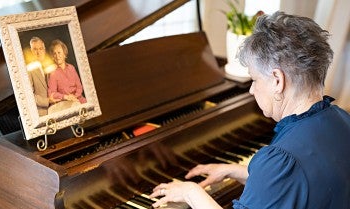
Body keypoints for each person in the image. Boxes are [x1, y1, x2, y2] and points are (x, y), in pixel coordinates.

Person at [150, 11, 350, 209]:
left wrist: (191, 192)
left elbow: (287, 174)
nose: (252, 90)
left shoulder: (281, 159)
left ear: (277, 80)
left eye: (254, 79)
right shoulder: (340, 119)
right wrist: (236, 170)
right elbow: (302, 178)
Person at [47, 39, 86, 109]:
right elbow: (52, 94)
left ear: (64, 54)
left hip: (78, 99)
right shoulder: (53, 73)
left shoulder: (72, 68)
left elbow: (79, 87)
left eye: (59, 52)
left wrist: (75, 97)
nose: (57, 56)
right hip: (65, 103)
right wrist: (66, 97)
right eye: (54, 53)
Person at [26, 36, 55, 116]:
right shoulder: (28, 70)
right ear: (31, 51)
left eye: (41, 49)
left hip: (55, 109)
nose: (38, 52)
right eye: (35, 49)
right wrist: (47, 101)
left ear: (44, 50)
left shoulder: (50, 66)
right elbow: (29, 96)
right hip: (42, 113)